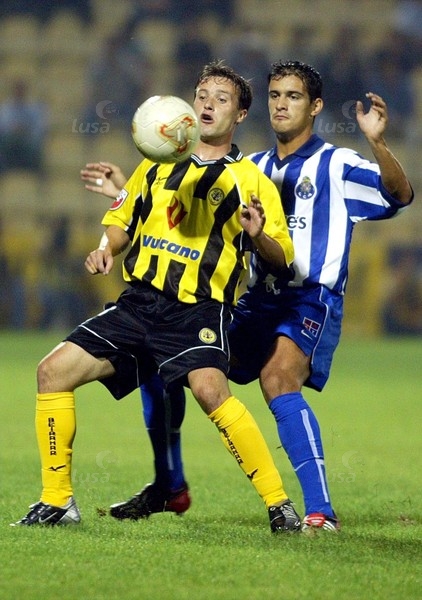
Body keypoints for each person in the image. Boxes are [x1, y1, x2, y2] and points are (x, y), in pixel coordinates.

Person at [81, 60, 414, 532]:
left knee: (277, 379)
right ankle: (169, 484)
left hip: (308, 298)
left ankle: (320, 511)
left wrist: (377, 144)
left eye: (293, 96)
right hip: (256, 298)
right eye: (275, 95)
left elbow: (398, 196)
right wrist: (123, 191)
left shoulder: (336, 164)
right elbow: (180, 212)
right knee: (164, 359)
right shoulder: (252, 167)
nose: (281, 104)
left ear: (315, 106)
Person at [12, 61, 300, 534]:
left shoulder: (251, 181)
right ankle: (57, 501)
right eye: (202, 95)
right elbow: (122, 221)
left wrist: (258, 235)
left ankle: (279, 504)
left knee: (210, 391)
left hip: (198, 311)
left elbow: (282, 258)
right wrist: (106, 249)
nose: (208, 104)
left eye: (221, 99)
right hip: (139, 304)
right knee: (52, 372)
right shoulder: (156, 163)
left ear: (241, 114)